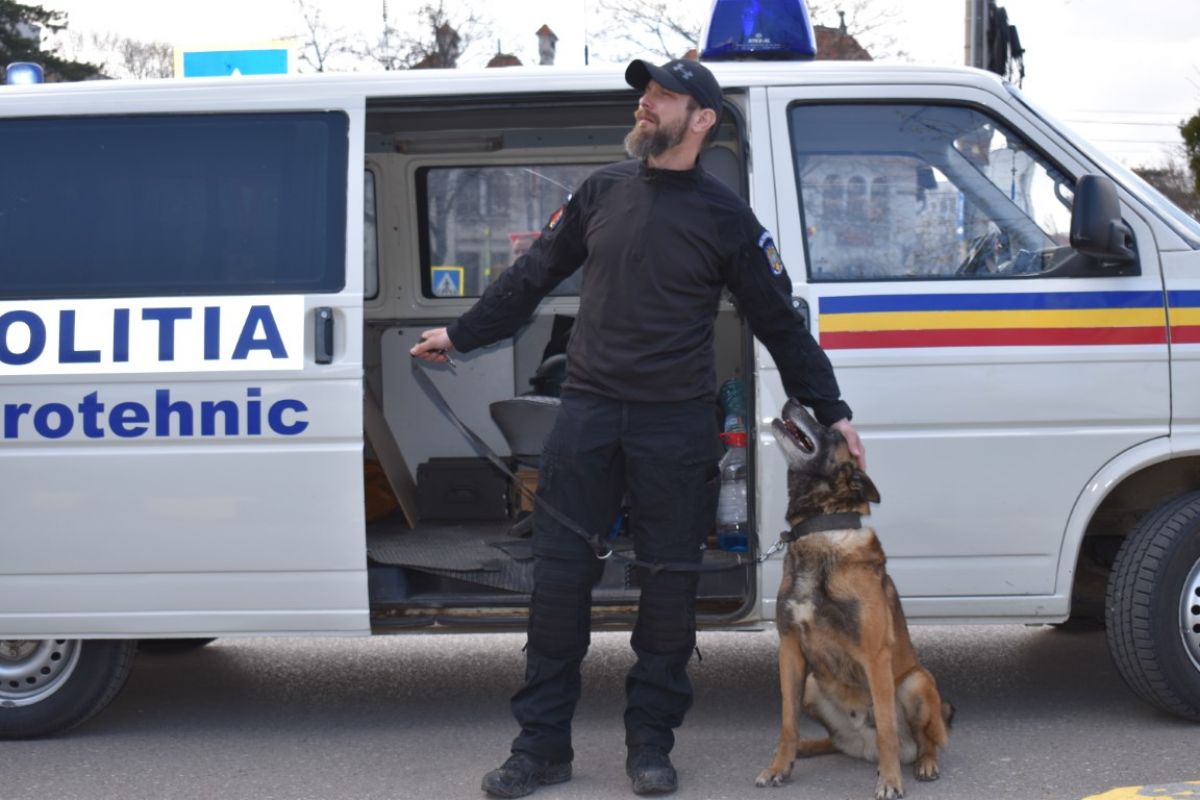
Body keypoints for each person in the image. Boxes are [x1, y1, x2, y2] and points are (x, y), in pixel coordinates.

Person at [411, 57, 864, 798]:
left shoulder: (726, 218)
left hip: (675, 425)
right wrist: (462, 334)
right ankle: (540, 747)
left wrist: (832, 410)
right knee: (558, 585)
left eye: (662, 96)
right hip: (586, 415)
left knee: (668, 588)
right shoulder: (601, 191)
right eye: (645, 94)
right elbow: (531, 275)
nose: (645, 104)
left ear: (702, 119)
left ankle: (651, 743)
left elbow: (779, 321)